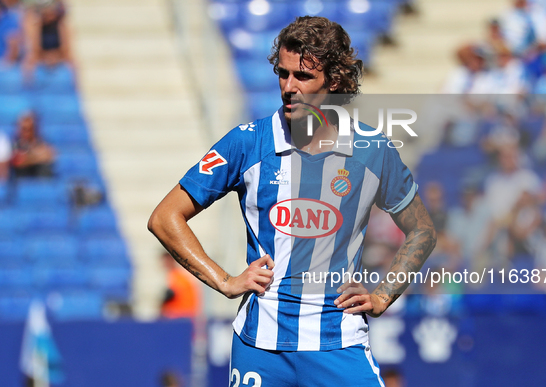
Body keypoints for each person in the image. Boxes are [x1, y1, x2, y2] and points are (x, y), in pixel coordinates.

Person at [148, 16, 436, 387]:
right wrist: (224, 281)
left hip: (338, 345)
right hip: (260, 347)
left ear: (334, 82)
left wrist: (383, 295)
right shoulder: (247, 143)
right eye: (283, 74)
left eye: (303, 77)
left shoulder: (371, 150)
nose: (289, 87)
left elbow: (422, 231)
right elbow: (165, 217)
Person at [10, 112, 55, 178]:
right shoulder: (15, 144)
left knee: (45, 168)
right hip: (21, 181)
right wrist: (37, 156)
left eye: (30, 129)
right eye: (24, 129)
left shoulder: (41, 142)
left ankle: (44, 187)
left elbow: (49, 155)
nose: (27, 132)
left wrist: (28, 157)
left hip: (39, 180)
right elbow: (18, 162)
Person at [160, 251, 203, 319]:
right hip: (184, 313)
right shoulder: (179, 275)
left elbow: (171, 294)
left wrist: (161, 307)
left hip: (181, 314)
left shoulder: (177, 275)